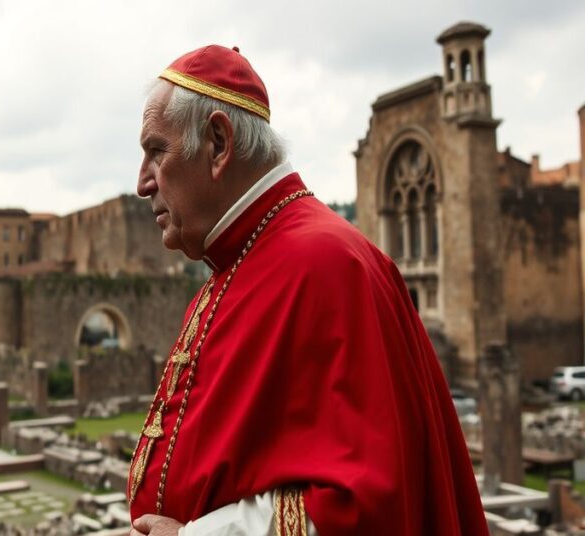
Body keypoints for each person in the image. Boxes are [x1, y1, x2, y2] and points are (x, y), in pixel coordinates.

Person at [128, 45, 488, 535]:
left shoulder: (327, 266)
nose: (142, 183)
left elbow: (364, 504)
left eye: (156, 151)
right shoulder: (236, 265)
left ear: (217, 144)